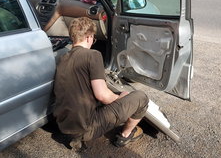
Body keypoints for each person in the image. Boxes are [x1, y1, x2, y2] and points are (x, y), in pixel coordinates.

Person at [53, 17, 149, 149]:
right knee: (141, 97)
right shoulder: (93, 55)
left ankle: (78, 137)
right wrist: (120, 98)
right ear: (89, 37)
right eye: (93, 38)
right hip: (86, 128)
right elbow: (102, 95)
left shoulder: (62, 58)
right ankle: (125, 135)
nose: (93, 41)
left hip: (64, 125)